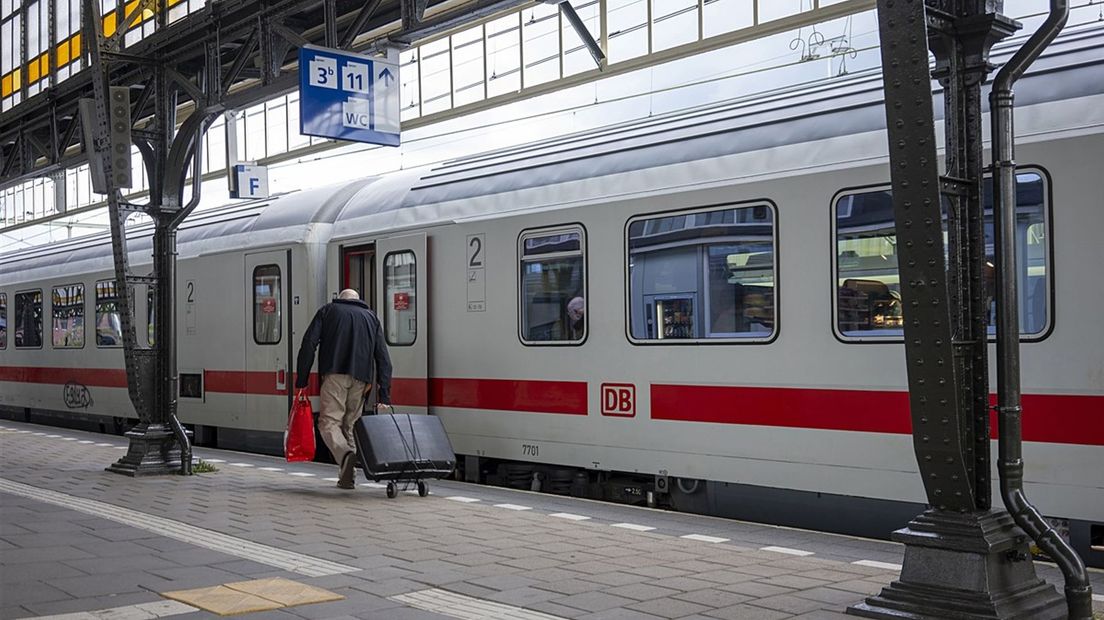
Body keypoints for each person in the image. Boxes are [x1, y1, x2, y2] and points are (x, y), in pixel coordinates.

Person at [295, 289, 392, 489]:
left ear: (340, 297)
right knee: (350, 424)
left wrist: (302, 380)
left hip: (335, 374)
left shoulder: (328, 311)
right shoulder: (371, 317)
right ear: (358, 301)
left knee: (328, 422)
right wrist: (384, 394)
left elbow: (308, 343)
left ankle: (344, 454)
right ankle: (347, 478)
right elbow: (383, 357)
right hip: (361, 379)